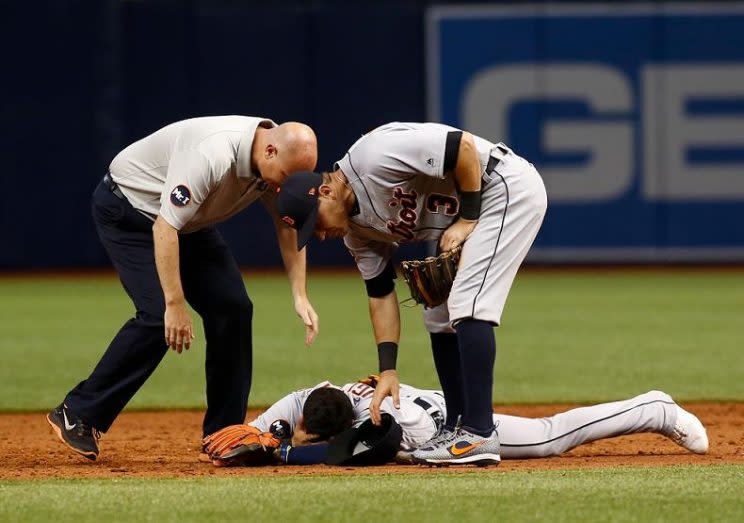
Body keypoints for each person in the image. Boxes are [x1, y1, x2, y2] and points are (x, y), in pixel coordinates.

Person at [47, 115, 320, 461]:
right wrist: (174, 303)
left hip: (185, 224)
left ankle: (224, 432)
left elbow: (288, 225)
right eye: (286, 178)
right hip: (130, 210)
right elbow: (165, 228)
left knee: (233, 308)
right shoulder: (212, 154)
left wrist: (299, 294)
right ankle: (79, 413)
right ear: (269, 151)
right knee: (155, 316)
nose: (288, 188)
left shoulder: (276, 166)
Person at [275, 122, 548, 465]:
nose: (319, 234)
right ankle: (456, 425)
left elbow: (460, 147)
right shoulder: (356, 234)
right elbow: (380, 293)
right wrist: (387, 370)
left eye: (314, 223)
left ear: (326, 193)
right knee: (437, 312)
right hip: (475, 208)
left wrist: (466, 219)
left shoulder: (373, 156)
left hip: (503, 187)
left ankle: (479, 434)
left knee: (467, 302)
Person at [243, 378, 708, 466]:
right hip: (432, 402)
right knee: (550, 434)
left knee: (550, 438)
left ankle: (654, 409)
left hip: (450, 423)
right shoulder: (326, 398)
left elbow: (342, 454)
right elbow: (288, 408)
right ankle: (650, 406)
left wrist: (285, 452)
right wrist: (262, 433)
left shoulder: (384, 427)